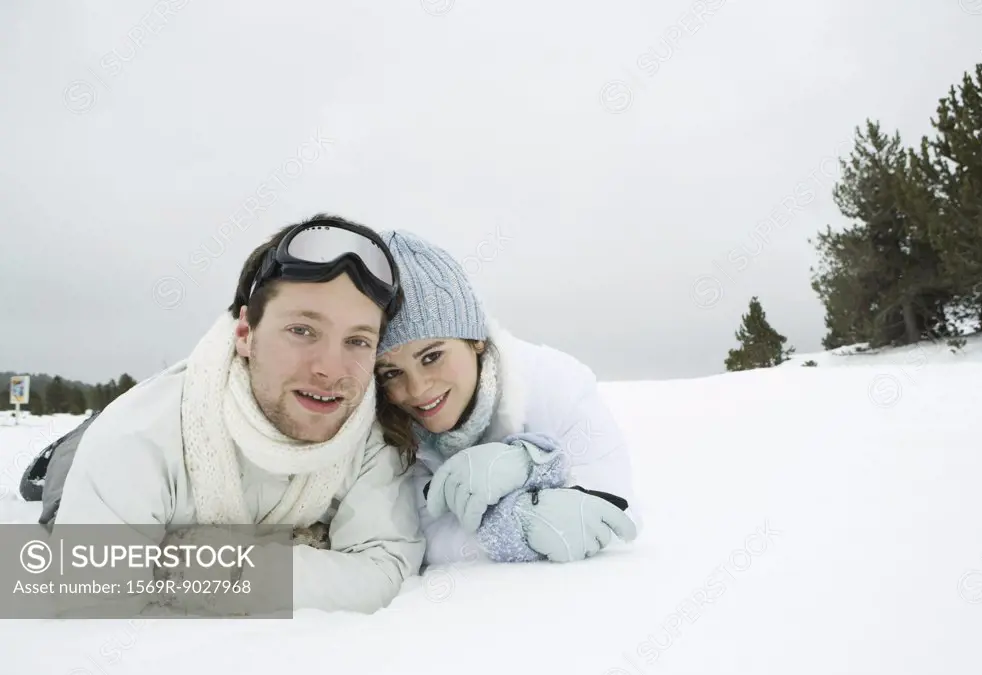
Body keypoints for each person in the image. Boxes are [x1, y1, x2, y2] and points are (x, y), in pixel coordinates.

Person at [51, 213, 426, 615]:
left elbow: (383, 572)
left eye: (357, 340)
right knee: (62, 473)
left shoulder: (369, 437)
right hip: (87, 452)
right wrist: (305, 559)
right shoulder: (137, 435)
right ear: (246, 333)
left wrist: (229, 568)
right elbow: (88, 592)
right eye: (302, 330)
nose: (331, 370)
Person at [373, 230, 640, 567]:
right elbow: (414, 536)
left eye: (431, 357)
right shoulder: (385, 431)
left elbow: (616, 509)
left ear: (476, 339)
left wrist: (534, 465)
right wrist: (513, 527)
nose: (417, 389)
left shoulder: (555, 384)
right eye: (391, 373)